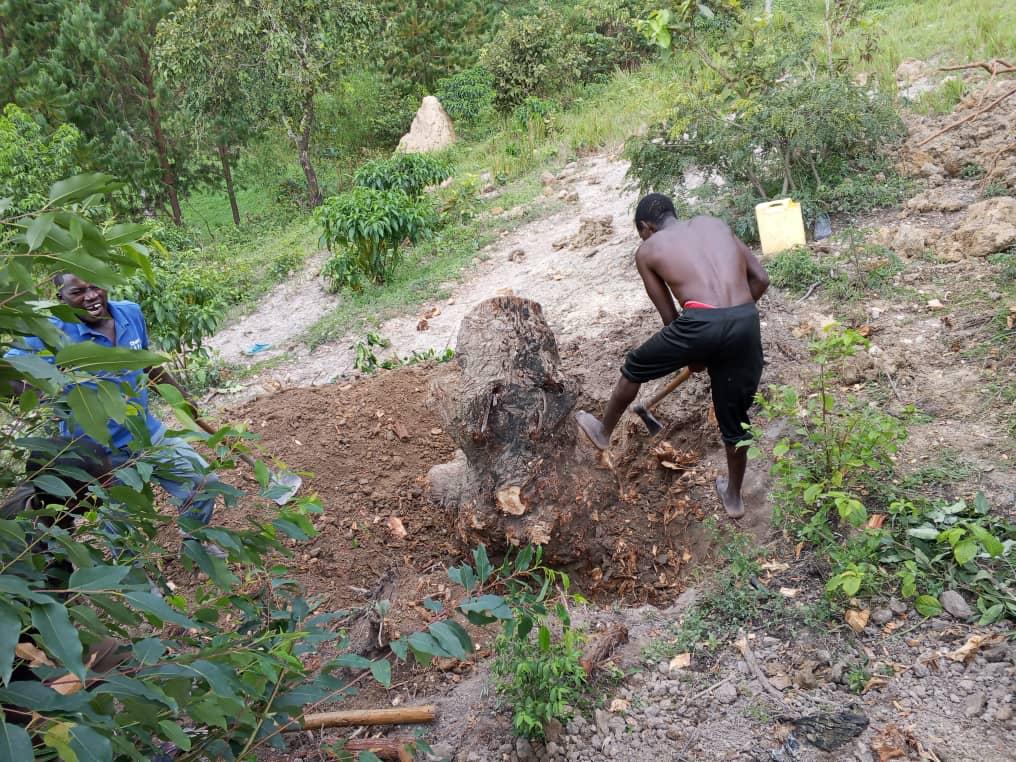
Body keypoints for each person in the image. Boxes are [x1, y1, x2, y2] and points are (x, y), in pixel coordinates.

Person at [575, 193, 769, 519]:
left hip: (700, 324)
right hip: (745, 320)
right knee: (734, 419)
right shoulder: (714, 224)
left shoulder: (648, 250)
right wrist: (730, 322)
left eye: (641, 233)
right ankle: (734, 498)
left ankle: (603, 431)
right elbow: (761, 279)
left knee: (635, 366)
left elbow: (670, 319)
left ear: (645, 227)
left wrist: (698, 346)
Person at [4, 274, 227, 553]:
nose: (90, 296)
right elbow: (8, 372)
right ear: (59, 296)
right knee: (120, 527)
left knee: (204, 482)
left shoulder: (129, 313)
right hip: (97, 456)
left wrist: (179, 395)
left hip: (146, 434)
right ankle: (135, 576)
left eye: (95, 286)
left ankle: (195, 543)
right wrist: (39, 388)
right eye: (77, 292)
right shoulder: (50, 332)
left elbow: (145, 361)